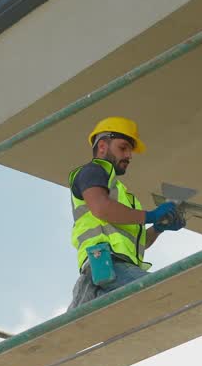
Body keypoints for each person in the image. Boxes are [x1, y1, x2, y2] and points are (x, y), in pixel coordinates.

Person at [67, 116, 184, 310]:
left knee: (80, 331)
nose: (129, 155)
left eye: (130, 150)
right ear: (102, 146)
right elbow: (101, 208)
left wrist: (157, 228)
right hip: (108, 265)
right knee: (165, 296)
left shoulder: (122, 195)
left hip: (108, 271)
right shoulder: (92, 171)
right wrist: (150, 216)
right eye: (123, 148)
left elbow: (136, 243)